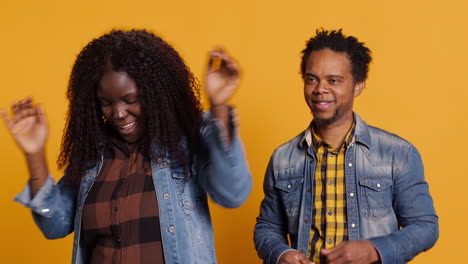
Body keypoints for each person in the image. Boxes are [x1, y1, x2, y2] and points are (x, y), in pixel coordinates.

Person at [1, 29, 252, 264]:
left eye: (130, 99)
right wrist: (34, 154)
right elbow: (54, 226)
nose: (118, 113)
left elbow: (232, 194)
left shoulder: (186, 138)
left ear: (155, 93)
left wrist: (218, 107)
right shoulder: (92, 154)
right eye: (106, 103)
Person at [254, 29, 438, 264]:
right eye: (312, 79)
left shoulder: (398, 153)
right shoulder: (283, 158)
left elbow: (425, 227)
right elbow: (267, 226)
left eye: (334, 80)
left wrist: (375, 250)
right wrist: (281, 254)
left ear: (358, 85)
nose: (320, 89)